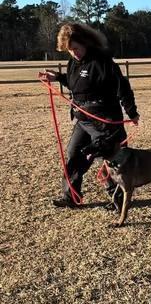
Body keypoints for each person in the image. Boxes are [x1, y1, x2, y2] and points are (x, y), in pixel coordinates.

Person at [39, 22, 139, 209]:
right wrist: (58, 78)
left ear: (85, 43)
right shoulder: (73, 63)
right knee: (73, 154)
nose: (73, 53)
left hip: (105, 121)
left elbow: (122, 87)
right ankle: (72, 196)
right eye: (69, 50)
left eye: (76, 48)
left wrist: (132, 112)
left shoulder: (102, 62)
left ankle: (117, 198)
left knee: (110, 158)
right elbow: (77, 84)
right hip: (83, 119)